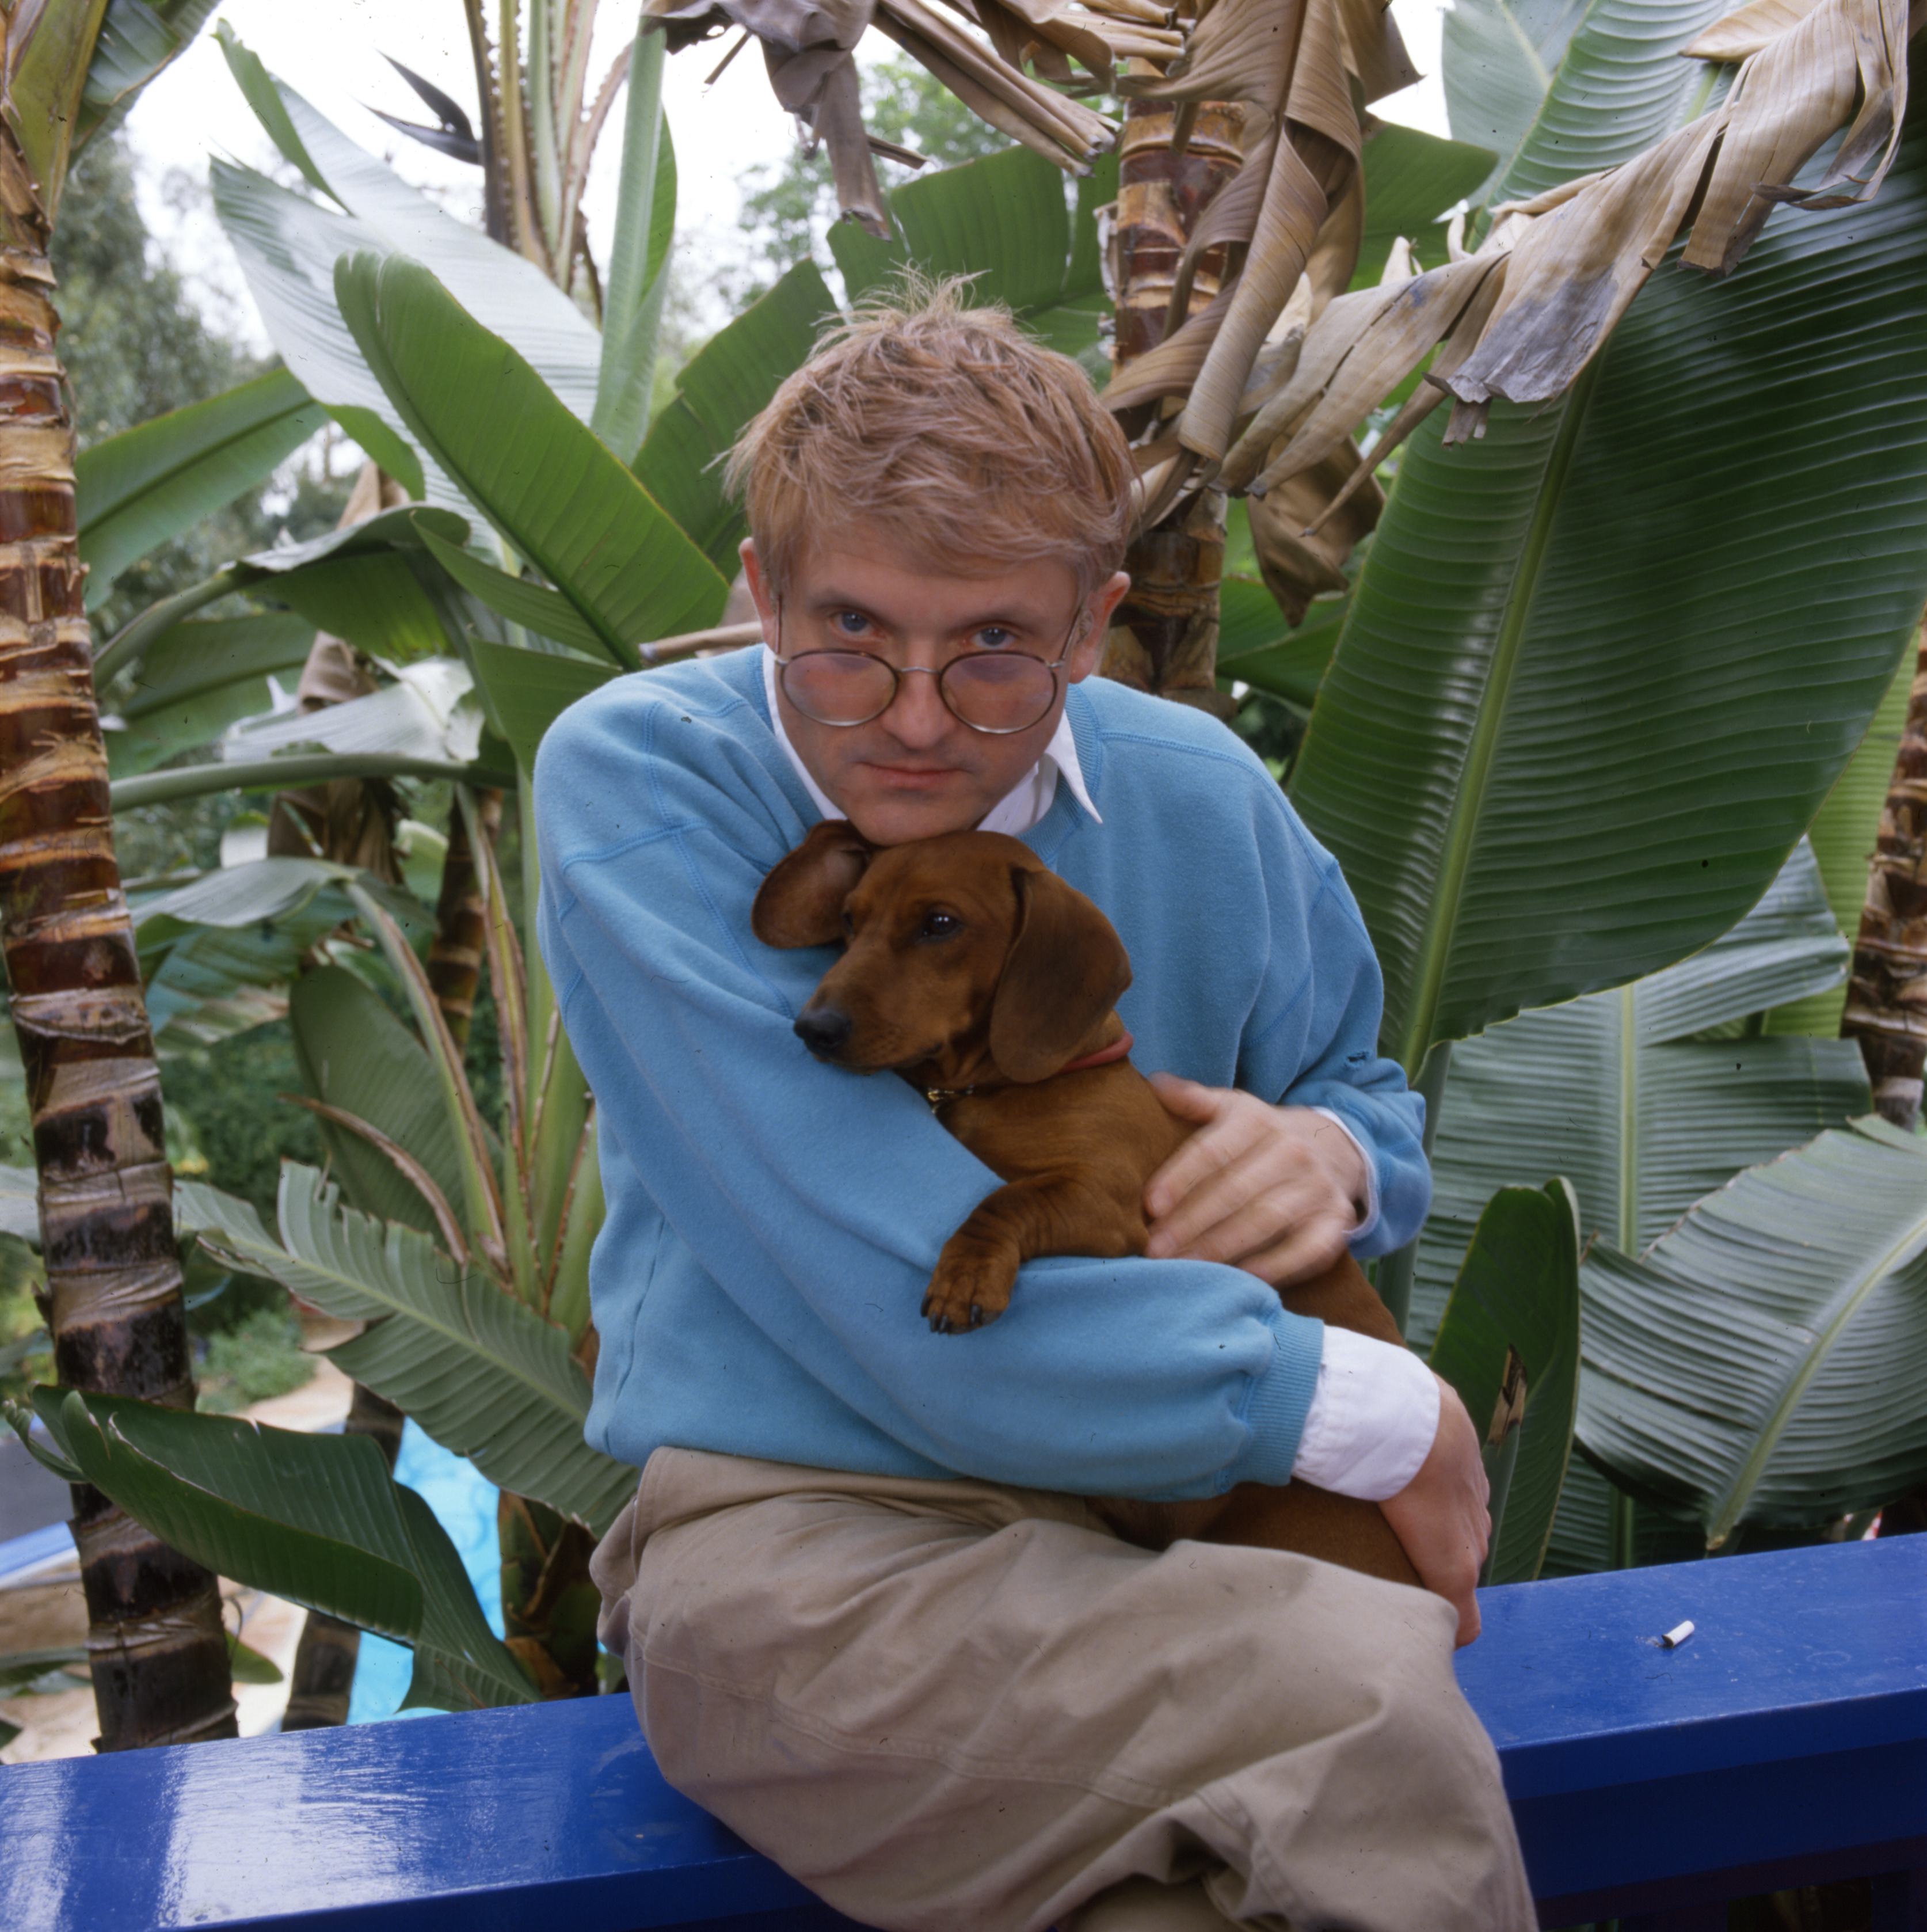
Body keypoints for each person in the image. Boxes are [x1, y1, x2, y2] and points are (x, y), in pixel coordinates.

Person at [533, 280, 1534, 1932]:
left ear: (1089, 623)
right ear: (760, 591)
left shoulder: (1197, 793)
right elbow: (870, 1272)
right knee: (1346, 1679)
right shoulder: (648, 782)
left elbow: (1353, 1076)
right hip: (814, 1548)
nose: (917, 715)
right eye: (850, 633)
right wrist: (1361, 1405)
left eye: (993, 644)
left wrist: (1334, 1157)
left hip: (1164, 1546)